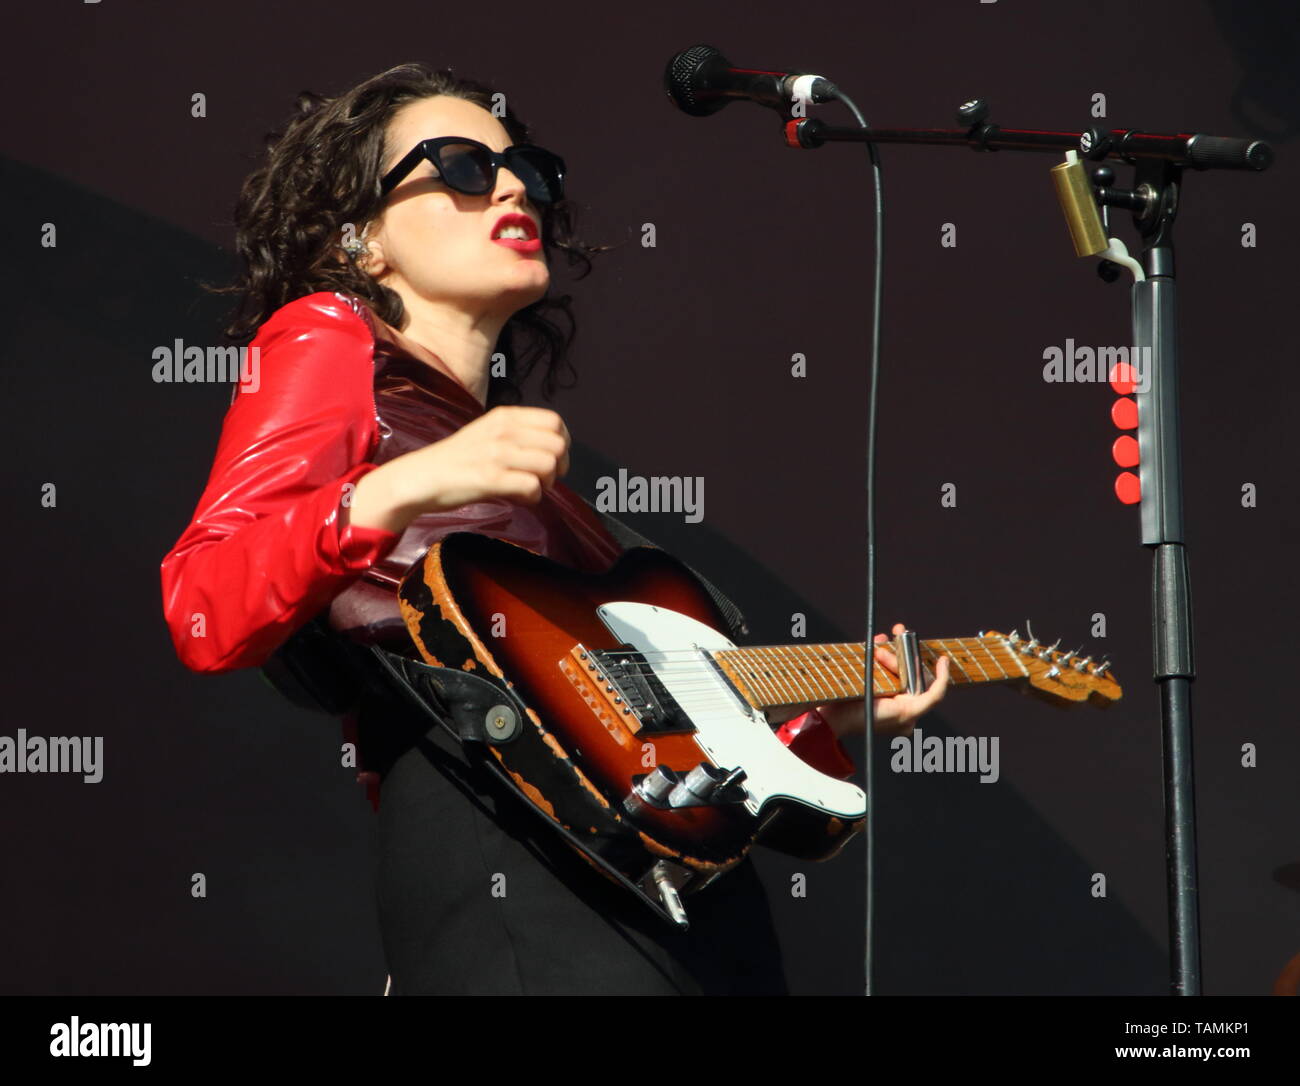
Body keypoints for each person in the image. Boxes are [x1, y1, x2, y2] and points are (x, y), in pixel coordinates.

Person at [160, 62, 950, 996]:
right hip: (512, 848)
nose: (509, 187)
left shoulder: (540, 491)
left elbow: (627, 717)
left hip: (669, 887)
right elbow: (204, 602)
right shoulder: (328, 333)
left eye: (527, 171)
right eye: (457, 165)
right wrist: (408, 484)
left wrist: (817, 717)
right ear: (363, 239)